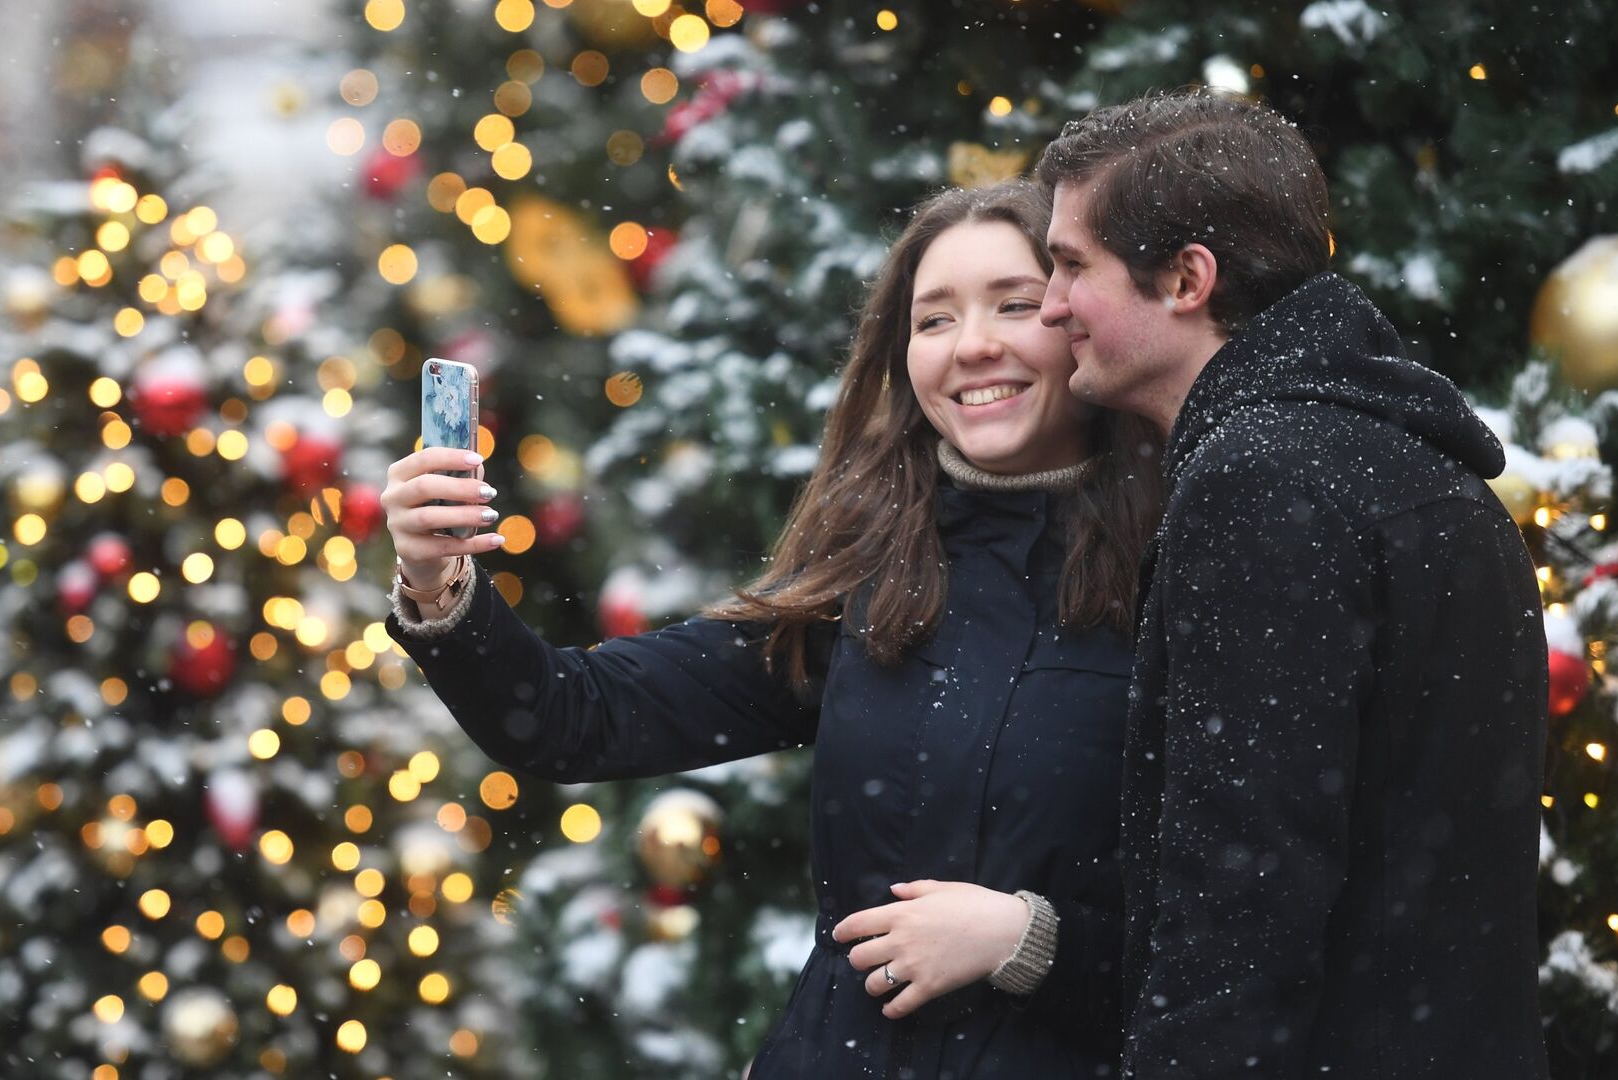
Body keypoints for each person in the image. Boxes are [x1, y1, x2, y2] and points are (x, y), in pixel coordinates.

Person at [382, 180, 1162, 1078]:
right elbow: (571, 717)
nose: (972, 346)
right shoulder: (878, 574)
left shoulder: (1183, 576)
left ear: (1082, 319)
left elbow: (1252, 934)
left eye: (1014, 306)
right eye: (934, 320)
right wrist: (439, 583)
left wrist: (1032, 939)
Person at [1034, 89, 1549, 1078]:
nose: (1051, 305)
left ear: (1187, 279)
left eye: (1070, 266)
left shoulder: (1266, 485)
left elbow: (1243, 893)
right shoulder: (1405, 458)